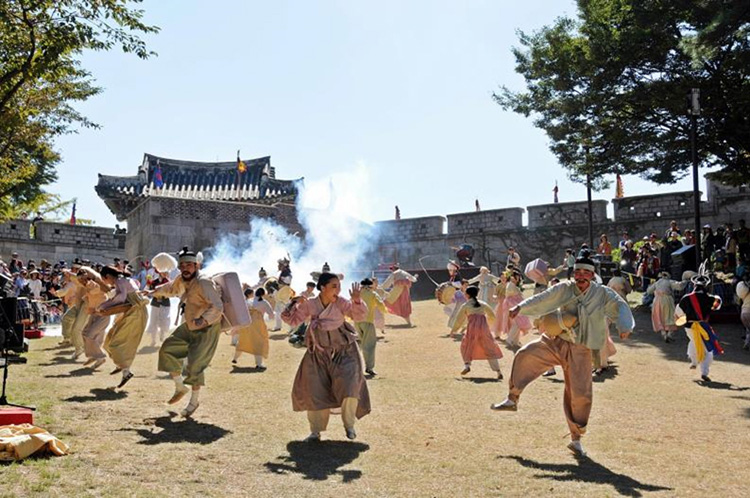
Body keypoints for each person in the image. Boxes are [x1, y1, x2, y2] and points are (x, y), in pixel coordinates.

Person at [490, 255, 634, 457]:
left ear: (592, 275)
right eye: (578, 272)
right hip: (555, 340)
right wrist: (520, 307)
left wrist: (625, 325)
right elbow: (544, 298)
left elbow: (620, 306)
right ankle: (512, 398)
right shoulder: (565, 288)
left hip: (580, 348)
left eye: (586, 273)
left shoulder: (602, 293)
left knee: (580, 394)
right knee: (525, 355)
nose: (581, 276)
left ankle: (576, 439)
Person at [281, 273, 370, 442]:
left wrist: (357, 300)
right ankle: (315, 431)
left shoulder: (342, 302)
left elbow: (359, 316)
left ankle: (349, 426)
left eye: (339, 286)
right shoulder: (310, 305)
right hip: (318, 353)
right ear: (322, 288)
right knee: (315, 390)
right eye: (334, 286)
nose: (338, 290)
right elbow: (291, 320)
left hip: (344, 350)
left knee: (350, 386)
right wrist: (294, 302)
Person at [149, 247, 224, 417]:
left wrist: (204, 320)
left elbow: (218, 306)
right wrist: (153, 292)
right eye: (182, 265)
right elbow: (171, 288)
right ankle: (180, 387)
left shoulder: (204, 282)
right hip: (189, 324)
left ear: (196, 266)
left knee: (195, 365)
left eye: (189, 265)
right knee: (167, 349)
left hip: (207, 327)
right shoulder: (183, 279)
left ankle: (194, 401)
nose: (185, 268)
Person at [91, 265, 148, 388]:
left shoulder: (120, 280)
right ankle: (121, 366)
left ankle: (126, 371)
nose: (107, 283)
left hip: (135, 312)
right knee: (110, 339)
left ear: (108, 276)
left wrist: (103, 306)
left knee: (117, 342)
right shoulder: (123, 279)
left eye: (105, 280)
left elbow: (121, 298)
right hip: (132, 311)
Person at [674, 272, 723, 381]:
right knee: (708, 348)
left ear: (694, 285)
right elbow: (717, 305)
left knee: (693, 341)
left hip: (689, 326)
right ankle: (704, 372)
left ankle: (694, 361)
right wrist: (714, 297)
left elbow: (678, 313)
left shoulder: (686, 298)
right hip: (703, 326)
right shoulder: (710, 298)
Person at [451, 286, 504, 379]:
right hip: (484, 328)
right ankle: (498, 371)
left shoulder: (466, 305)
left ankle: (467, 365)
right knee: (489, 347)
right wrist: (488, 324)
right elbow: (492, 315)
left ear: (467, 295)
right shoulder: (483, 304)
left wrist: (454, 330)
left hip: (472, 329)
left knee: (466, 345)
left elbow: (459, 319)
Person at [233, 288, 274, 370]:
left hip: (247, 323)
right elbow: (271, 314)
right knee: (259, 342)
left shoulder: (249, 301)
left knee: (243, 340)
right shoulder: (264, 302)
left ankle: (235, 358)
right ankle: (259, 364)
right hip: (258, 324)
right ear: (263, 294)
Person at [354, 278, 386, 377]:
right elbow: (380, 304)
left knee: (361, 345)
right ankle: (369, 367)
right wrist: (385, 310)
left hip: (357, 322)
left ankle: (357, 367)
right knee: (370, 346)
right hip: (367, 321)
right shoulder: (372, 294)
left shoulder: (357, 294)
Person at [646, 271, 686, 343]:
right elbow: (679, 286)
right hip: (667, 300)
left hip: (657, 300)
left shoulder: (657, 283)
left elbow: (649, 291)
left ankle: (664, 334)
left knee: (659, 317)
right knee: (670, 316)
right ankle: (670, 334)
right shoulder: (669, 282)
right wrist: (685, 281)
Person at [498, 271, 532, 349]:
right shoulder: (510, 285)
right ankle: (510, 340)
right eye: (515, 277)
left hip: (514, 304)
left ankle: (514, 341)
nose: (517, 278)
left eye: (517, 277)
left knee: (517, 324)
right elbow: (510, 296)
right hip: (512, 305)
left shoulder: (512, 285)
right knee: (516, 324)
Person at [145, 269, 172, 347]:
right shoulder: (154, 282)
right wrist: (148, 284)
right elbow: (148, 291)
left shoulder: (169, 282)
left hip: (165, 303)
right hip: (155, 303)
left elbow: (171, 292)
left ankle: (162, 335)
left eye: (166, 272)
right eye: (164, 272)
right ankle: (153, 340)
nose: (165, 273)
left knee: (164, 320)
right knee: (153, 321)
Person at [736, 274, 750, 350]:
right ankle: (747, 342)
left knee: (748, 330)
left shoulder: (744, 291)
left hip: (744, 313)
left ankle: (747, 342)